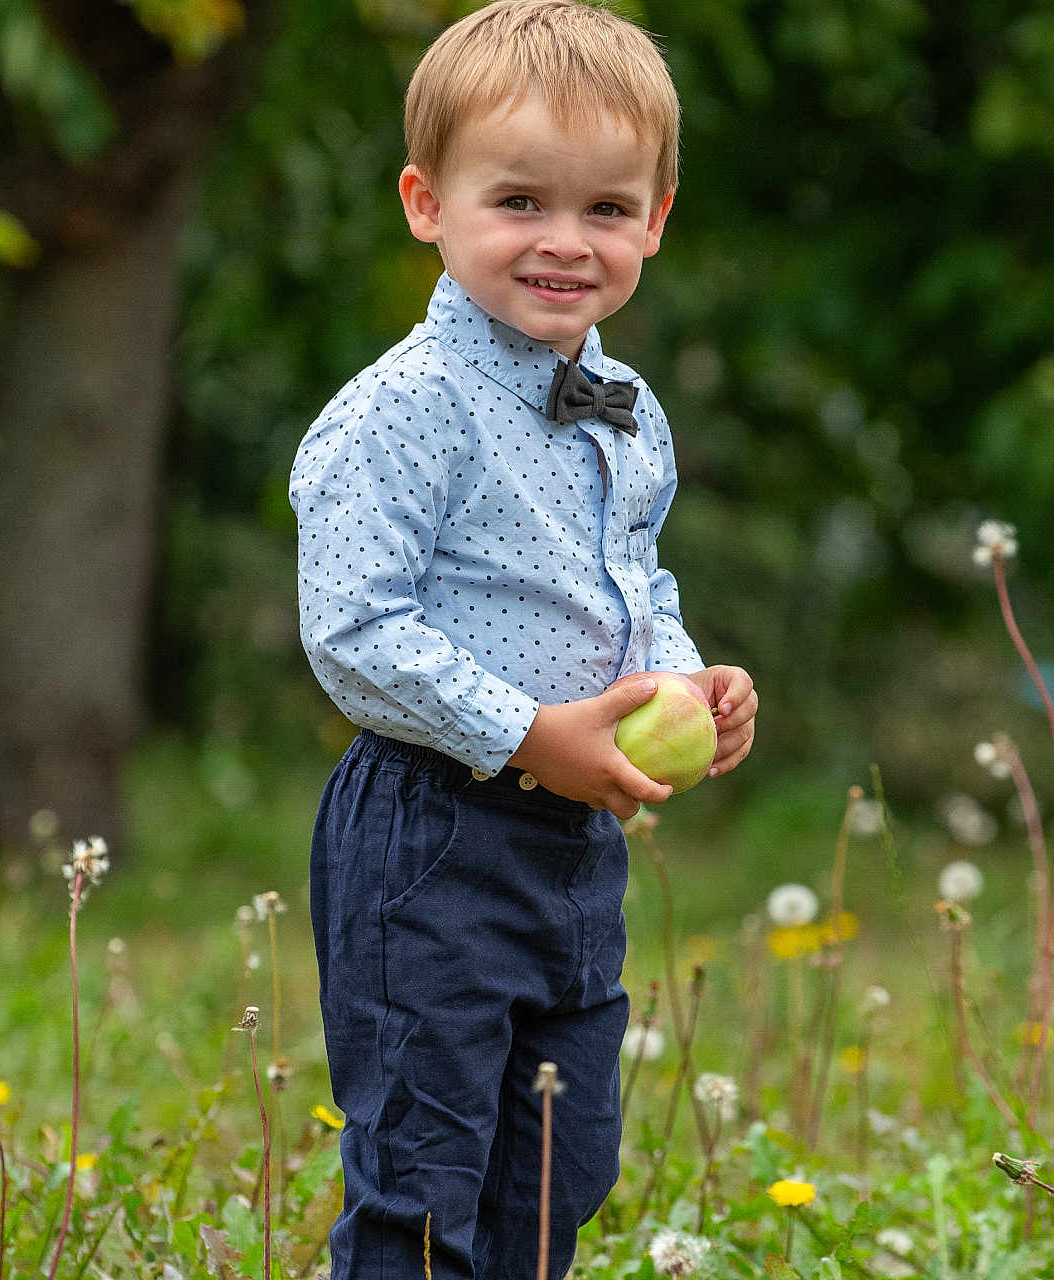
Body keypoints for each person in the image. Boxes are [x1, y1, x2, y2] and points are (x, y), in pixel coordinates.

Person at [289, 2, 758, 1276]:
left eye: (606, 208)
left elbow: (627, 575)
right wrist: (527, 732)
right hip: (434, 826)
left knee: (557, 1161)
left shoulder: (625, 408)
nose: (564, 241)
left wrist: (679, 673)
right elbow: (351, 629)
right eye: (519, 202)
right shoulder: (398, 414)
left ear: (655, 220)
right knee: (428, 1172)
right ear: (426, 203)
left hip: (571, 848)